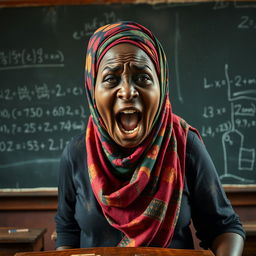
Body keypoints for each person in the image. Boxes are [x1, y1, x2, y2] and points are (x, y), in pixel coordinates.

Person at [55, 21, 245, 255]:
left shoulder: (184, 145)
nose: (127, 91)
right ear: (92, 89)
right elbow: (67, 232)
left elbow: (224, 228)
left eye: (142, 78)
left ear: (162, 84)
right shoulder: (76, 153)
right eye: (111, 79)